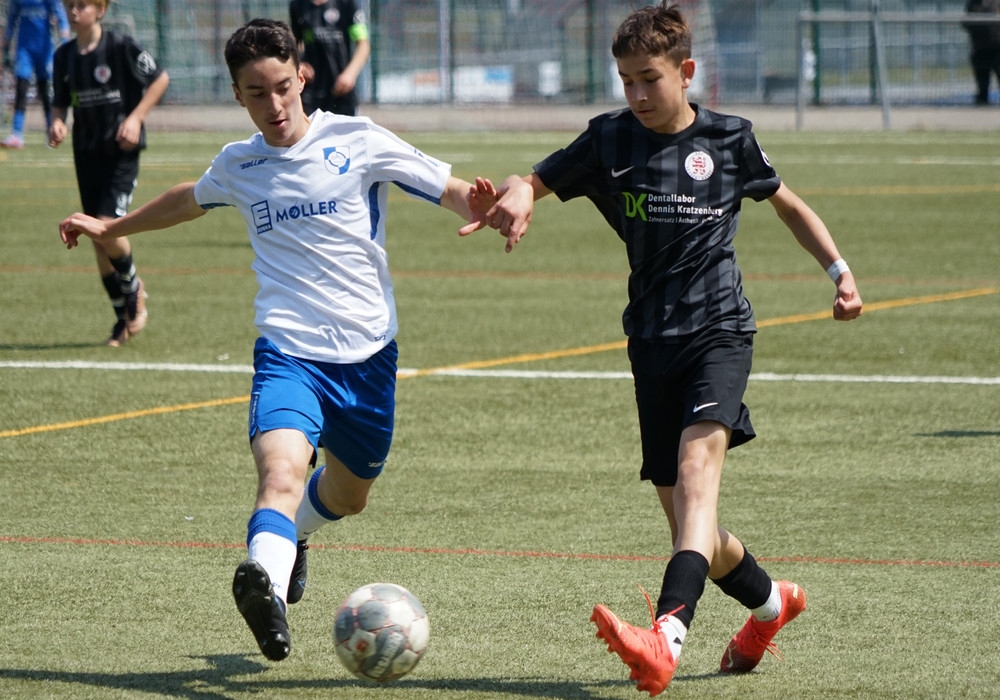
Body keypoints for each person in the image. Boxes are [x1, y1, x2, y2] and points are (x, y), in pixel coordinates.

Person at [58, 18, 496, 662]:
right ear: (238, 96)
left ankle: (295, 537)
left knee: (349, 495)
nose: (275, 105)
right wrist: (111, 226)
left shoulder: (356, 139)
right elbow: (188, 199)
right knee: (282, 473)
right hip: (289, 355)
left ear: (302, 78)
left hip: (369, 359)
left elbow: (446, 187)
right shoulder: (239, 164)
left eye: (283, 87)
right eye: (257, 93)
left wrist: (480, 205)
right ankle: (263, 582)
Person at [481, 2, 862, 695]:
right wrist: (518, 196)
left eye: (649, 79)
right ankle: (772, 606)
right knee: (695, 525)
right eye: (625, 80)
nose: (636, 93)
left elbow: (789, 205)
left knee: (695, 479)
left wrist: (839, 273)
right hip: (650, 341)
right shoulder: (609, 139)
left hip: (720, 332)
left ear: (686, 72)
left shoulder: (730, 139)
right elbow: (532, 180)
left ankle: (665, 639)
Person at [47, 0, 169, 346]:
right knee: (97, 240)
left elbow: (160, 79)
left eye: (82, 5)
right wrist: (57, 122)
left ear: (100, 11)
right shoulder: (64, 56)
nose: (73, 12)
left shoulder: (120, 46)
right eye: (69, 5)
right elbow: (60, 102)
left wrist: (135, 118)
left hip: (121, 152)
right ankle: (121, 319)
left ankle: (133, 288)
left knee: (106, 224)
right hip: (86, 153)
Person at [1, 0, 70, 149]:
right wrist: (6, 46)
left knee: (44, 91)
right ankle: (16, 133)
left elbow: (60, 16)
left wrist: (65, 41)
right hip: (24, 50)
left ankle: (51, 131)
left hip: (44, 50)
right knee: (21, 88)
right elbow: (11, 20)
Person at [288, 0, 370, 116]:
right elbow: (294, 44)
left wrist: (350, 74)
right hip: (311, 92)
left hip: (341, 91)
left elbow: (363, 45)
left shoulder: (346, 4)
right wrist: (299, 64)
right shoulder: (297, 4)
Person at [963, 0, 1000, 105]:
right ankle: (982, 103)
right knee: (982, 81)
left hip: (997, 47)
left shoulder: (996, 2)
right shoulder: (973, 4)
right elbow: (967, 22)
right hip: (980, 48)